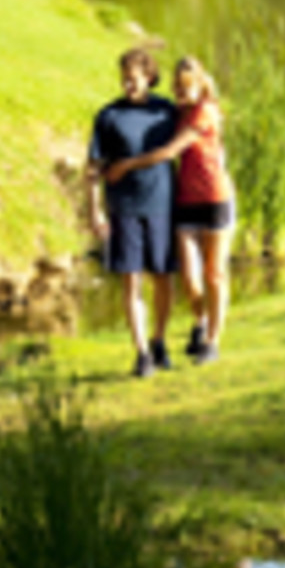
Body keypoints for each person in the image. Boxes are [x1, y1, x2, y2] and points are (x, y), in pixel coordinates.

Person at [104, 55, 235, 364]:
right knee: (190, 277)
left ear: (200, 84)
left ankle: (211, 342)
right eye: (177, 85)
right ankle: (200, 321)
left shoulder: (205, 111)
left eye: (186, 85)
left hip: (215, 199)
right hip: (185, 201)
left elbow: (169, 152)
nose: (180, 91)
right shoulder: (177, 113)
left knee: (214, 274)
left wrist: (127, 166)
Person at [86, 48, 180, 378]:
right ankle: (141, 353)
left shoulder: (166, 111)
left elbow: (198, 124)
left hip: (162, 205)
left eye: (134, 78)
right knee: (131, 281)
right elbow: (93, 168)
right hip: (123, 208)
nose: (128, 84)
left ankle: (159, 340)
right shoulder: (108, 116)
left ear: (149, 77)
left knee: (163, 279)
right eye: (124, 78)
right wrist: (94, 211)